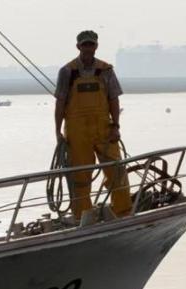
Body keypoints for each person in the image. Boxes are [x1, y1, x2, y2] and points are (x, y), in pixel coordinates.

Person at [54, 30, 132, 220]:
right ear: (78, 47)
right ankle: (83, 218)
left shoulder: (106, 70)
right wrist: (57, 132)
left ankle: (123, 212)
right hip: (77, 132)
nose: (88, 48)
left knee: (117, 171)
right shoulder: (67, 71)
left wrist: (116, 126)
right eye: (84, 45)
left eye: (91, 44)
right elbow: (60, 103)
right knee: (80, 178)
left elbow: (114, 100)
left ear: (96, 46)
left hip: (104, 129)